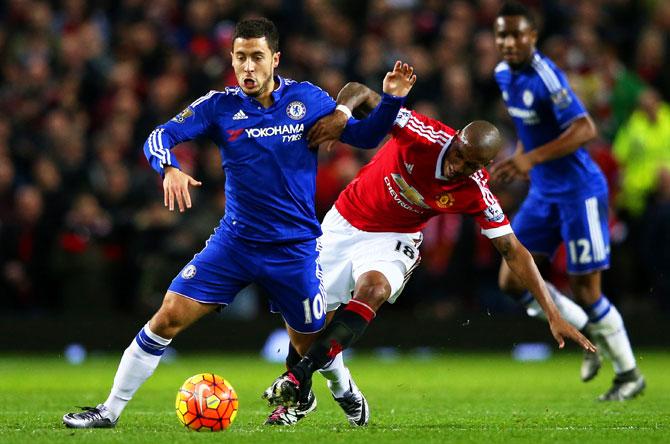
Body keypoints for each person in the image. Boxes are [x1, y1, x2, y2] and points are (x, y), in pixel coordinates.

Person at [62, 17, 417, 429]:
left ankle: (345, 391)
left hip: (294, 249)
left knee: (310, 344)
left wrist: (391, 101)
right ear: (231, 59)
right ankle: (109, 411)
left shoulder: (307, 100)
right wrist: (169, 169)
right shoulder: (219, 105)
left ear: (275, 59)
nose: (248, 67)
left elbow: (366, 136)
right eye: (241, 57)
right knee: (168, 316)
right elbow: (159, 136)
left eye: (257, 57)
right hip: (235, 244)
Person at [261, 81, 596, 426]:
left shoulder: (475, 189)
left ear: (485, 164)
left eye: (469, 165)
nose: (457, 167)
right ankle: (340, 386)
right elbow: (361, 91)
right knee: (307, 329)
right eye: (457, 155)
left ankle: (298, 381)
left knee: (374, 289)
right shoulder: (422, 133)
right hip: (343, 223)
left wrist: (553, 312)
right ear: (455, 140)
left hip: (394, 238)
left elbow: (513, 250)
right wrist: (342, 113)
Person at [491, 1, 644, 401]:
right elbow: (529, 126)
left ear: (532, 36)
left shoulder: (548, 76)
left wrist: (530, 158)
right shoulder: (503, 74)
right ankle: (583, 329)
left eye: (516, 34)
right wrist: (522, 159)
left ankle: (628, 374)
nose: (508, 42)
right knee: (511, 278)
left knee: (586, 289)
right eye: (502, 34)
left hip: (579, 191)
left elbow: (585, 128)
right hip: (543, 190)